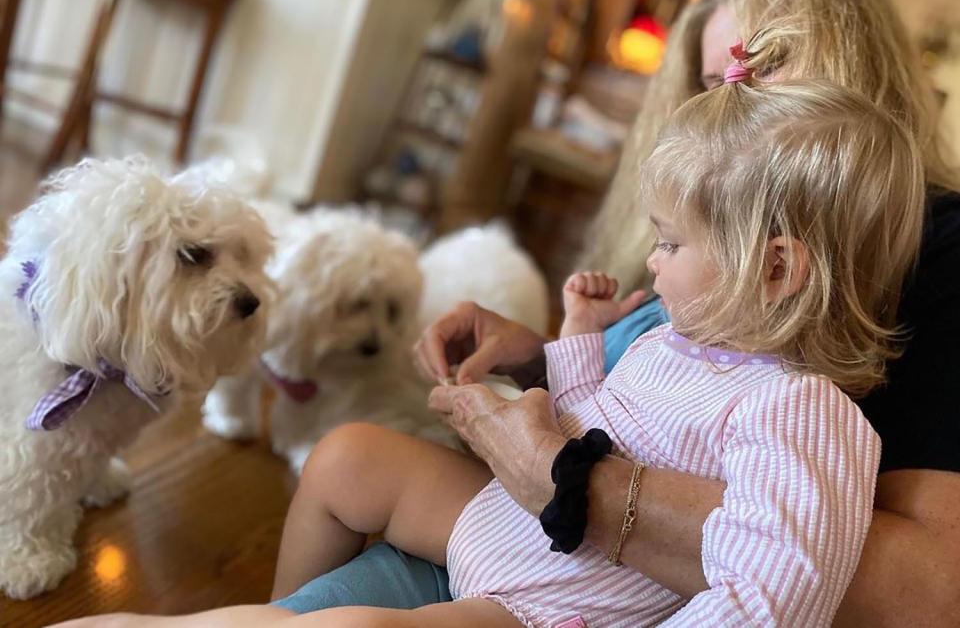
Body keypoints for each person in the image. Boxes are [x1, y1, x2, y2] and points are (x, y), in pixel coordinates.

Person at [59, 61, 927, 627]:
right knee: (348, 455)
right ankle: (281, 606)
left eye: (670, 242)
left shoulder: (805, 415)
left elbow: (775, 595)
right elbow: (597, 421)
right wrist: (581, 341)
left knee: (359, 625)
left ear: (774, 270)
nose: (652, 264)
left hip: (557, 602)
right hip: (512, 525)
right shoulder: (678, 338)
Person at [273, 0, 960, 627]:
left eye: (764, 62)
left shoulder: (918, 265)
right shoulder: (725, 242)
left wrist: (565, 474)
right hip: (516, 526)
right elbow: (642, 411)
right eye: (713, 82)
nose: (734, 99)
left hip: (577, 584)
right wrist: (541, 355)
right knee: (342, 464)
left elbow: (913, 589)